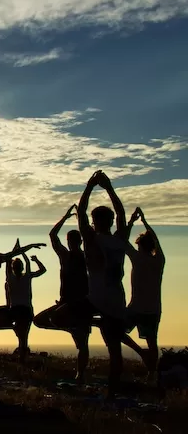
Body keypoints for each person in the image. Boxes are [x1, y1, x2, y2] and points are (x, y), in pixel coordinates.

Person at [77, 170, 152, 397]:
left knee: (54, 317)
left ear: (94, 222)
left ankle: (112, 391)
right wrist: (108, 187)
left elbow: (80, 211)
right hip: (113, 303)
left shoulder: (91, 239)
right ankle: (112, 392)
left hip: (96, 302)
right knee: (115, 352)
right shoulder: (119, 239)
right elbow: (120, 211)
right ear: (109, 222)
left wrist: (90, 186)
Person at [33, 204, 91, 382]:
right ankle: (68, 326)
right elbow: (53, 236)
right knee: (40, 320)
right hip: (69, 304)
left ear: (72, 242)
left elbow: (52, 235)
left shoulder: (80, 257)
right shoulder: (73, 256)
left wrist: (66, 217)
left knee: (82, 344)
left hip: (79, 304)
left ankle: (80, 375)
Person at [125, 207, 165, 368]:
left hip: (136, 308)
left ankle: (140, 352)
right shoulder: (159, 260)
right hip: (153, 309)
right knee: (152, 342)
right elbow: (156, 240)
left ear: (140, 245)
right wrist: (145, 222)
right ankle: (151, 373)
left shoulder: (136, 257)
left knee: (115, 330)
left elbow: (123, 240)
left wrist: (131, 222)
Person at [0, 253, 46, 362]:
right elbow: (42, 270)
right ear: (22, 267)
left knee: (18, 334)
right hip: (25, 310)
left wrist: (16, 252)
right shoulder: (27, 276)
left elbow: (7, 264)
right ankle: (22, 359)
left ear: (13, 268)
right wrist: (33, 258)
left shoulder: (10, 277)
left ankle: (15, 331)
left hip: (15, 310)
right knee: (24, 337)